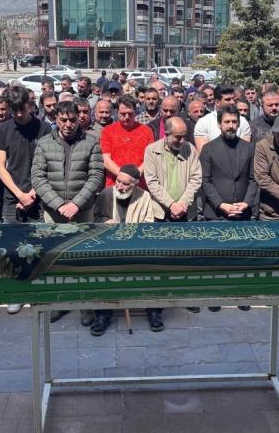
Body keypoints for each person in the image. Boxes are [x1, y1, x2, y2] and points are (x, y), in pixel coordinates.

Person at [199, 105, 258, 312]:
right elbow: (205, 181)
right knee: (216, 257)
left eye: (234, 122)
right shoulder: (208, 149)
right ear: (219, 124)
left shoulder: (249, 148)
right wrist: (221, 204)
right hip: (216, 212)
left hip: (242, 211)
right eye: (227, 122)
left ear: (239, 123)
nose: (231, 126)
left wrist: (247, 202)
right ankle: (215, 294)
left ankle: (240, 293)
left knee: (240, 257)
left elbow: (253, 179)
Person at [92, 164, 156, 335]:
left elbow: (149, 224)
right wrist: (105, 222)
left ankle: (153, 310)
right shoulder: (106, 194)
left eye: (125, 184)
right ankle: (103, 314)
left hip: (136, 246)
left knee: (151, 269)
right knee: (103, 272)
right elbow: (95, 218)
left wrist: (134, 239)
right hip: (109, 247)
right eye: (118, 181)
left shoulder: (144, 196)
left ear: (135, 184)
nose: (119, 186)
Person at [31, 100, 104, 224]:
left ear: (78, 118)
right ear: (56, 119)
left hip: (82, 211)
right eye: (63, 120)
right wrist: (58, 204)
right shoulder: (44, 143)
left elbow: (96, 176)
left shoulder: (92, 142)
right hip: (54, 211)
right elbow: (38, 178)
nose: (68, 124)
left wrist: (76, 204)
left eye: (72, 120)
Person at [0, 86, 52, 224]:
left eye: (22, 109)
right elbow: (1, 167)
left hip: (39, 196)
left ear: (29, 105)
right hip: (12, 197)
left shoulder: (44, 128)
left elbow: (50, 165)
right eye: (15, 110)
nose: (19, 114)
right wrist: (20, 195)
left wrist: (32, 195)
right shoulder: (3, 129)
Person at [144, 116, 202, 224]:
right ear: (166, 135)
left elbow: (196, 179)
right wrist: (171, 204)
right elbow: (152, 182)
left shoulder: (191, 149)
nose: (182, 140)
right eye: (178, 137)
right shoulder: (151, 151)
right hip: (161, 213)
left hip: (187, 211)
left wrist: (183, 203)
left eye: (184, 136)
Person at [100, 95, 153, 188]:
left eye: (130, 113)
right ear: (117, 112)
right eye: (123, 114)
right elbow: (106, 160)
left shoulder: (147, 131)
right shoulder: (107, 131)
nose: (127, 117)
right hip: (114, 185)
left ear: (135, 112)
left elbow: (150, 159)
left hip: (139, 185)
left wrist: (134, 175)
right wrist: (124, 178)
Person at [194, 86, 251, 151]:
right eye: (228, 99)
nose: (232, 102)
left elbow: (245, 151)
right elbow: (204, 153)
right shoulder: (203, 123)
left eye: (233, 99)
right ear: (217, 102)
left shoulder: (243, 122)